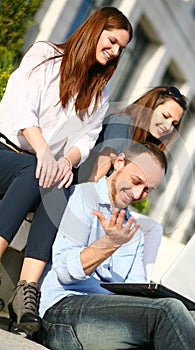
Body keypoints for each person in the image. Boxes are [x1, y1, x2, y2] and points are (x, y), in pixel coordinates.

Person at [0, 6, 133, 333]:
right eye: (112, 41)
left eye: (121, 48)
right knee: (37, 169)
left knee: (58, 181)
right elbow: (20, 108)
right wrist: (45, 152)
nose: (115, 51)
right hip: (5, 150)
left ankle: (25, 292)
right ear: (95, 30)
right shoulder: (45, 56)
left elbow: (86, 138)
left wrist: (64, 162)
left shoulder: (98, 92)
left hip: (36, 170)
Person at [34, 142, 195, 350]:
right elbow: (64, 271)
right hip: (61, 314)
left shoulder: (133, 233)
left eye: (147, 190)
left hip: (109, 317)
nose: (137, 194)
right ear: (119, 163)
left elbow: (135, 292)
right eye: (136, 181)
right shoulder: (82, 197)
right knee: (166, 311)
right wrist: (109, 244)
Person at [77, 85, 189, 278]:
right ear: (151, 106)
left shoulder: (147, 145)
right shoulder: (123, 123)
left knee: (152, 229)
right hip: (88, 201)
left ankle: (139, 285)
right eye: (165, 115)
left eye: (174, 123)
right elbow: (95, 176)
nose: (168, 126)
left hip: (111, 208)